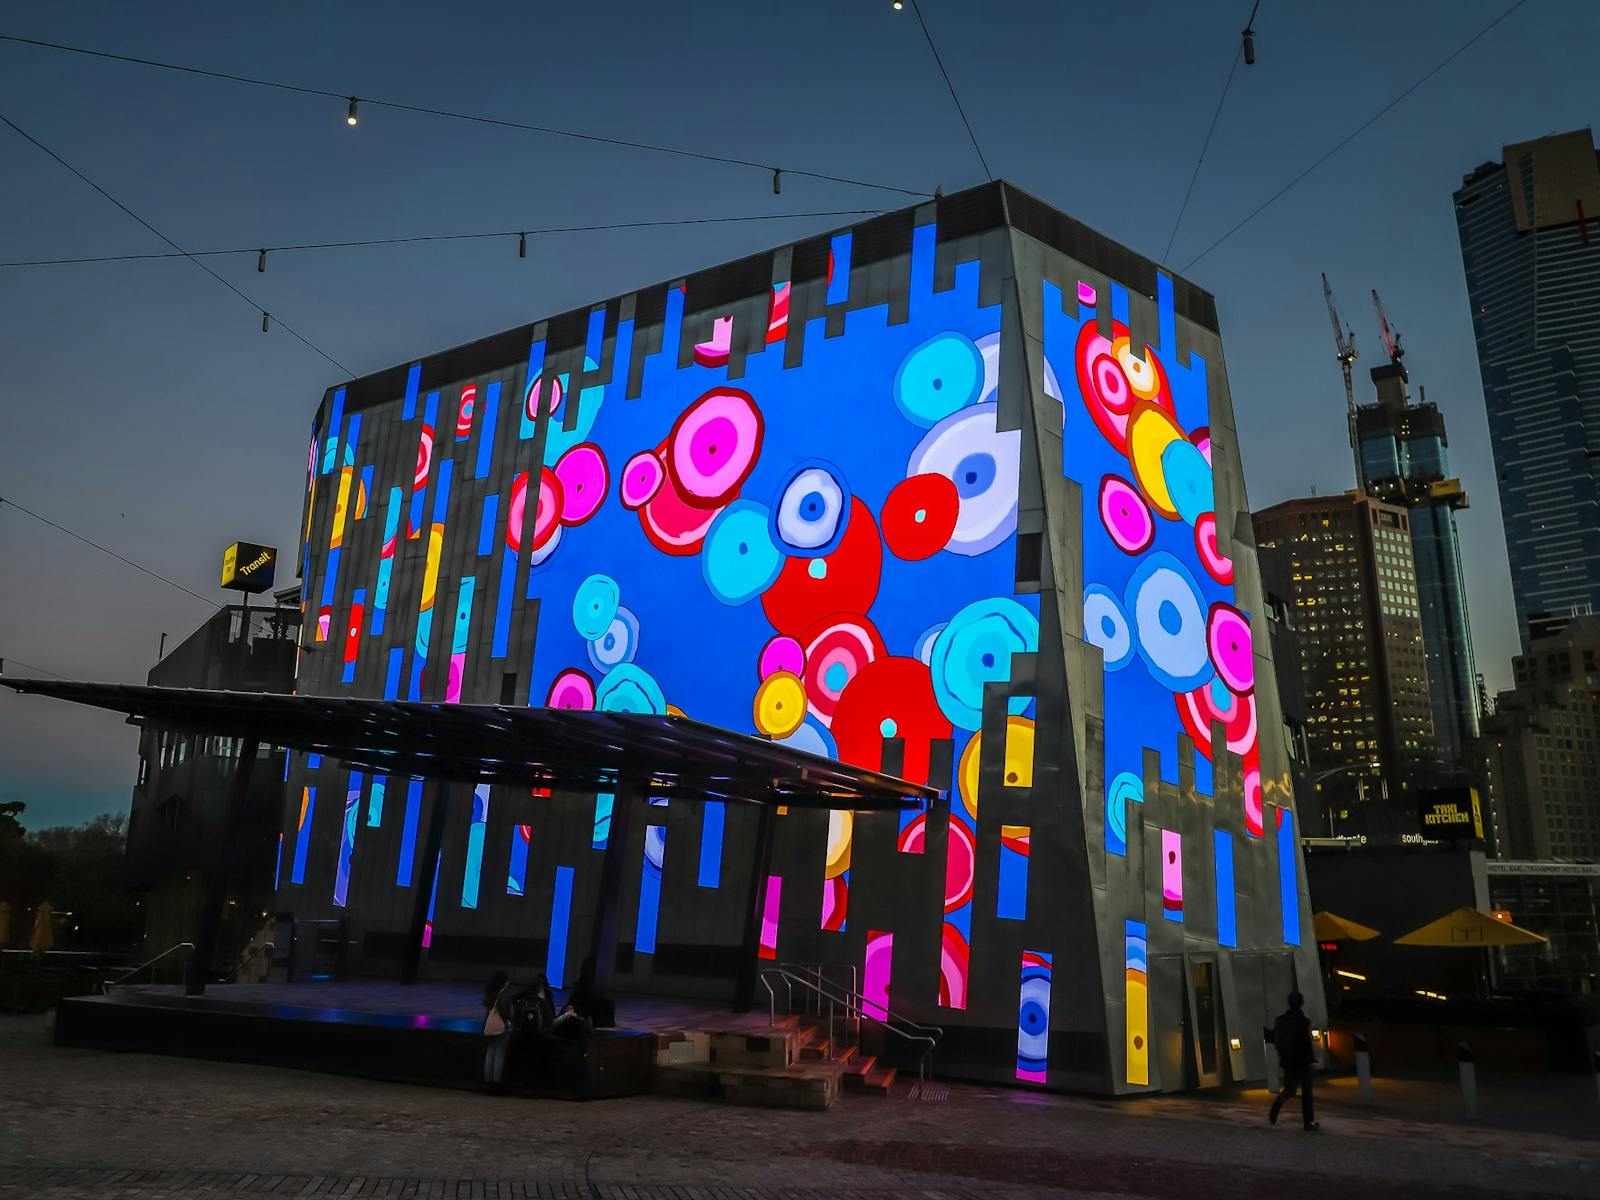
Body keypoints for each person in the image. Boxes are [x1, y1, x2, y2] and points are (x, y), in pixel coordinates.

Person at [1268, 990, 1319, 1130]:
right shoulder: (1304, 1021)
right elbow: (1306, 1043)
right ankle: (1308, 1122)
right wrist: (1312, 1059)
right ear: (1301, 1003)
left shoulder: (1280, 1020)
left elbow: (1274, 1038)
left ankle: (1277, 1104)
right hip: (1303, 1062)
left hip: (1288, 1061)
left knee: (1289, 1090)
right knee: (1307, 1093)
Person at [481, 970, 513, 1092]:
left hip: (490, 1026)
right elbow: (505, 1010)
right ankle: (496, 1084)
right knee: (499, 1055)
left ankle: (488, 1083)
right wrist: (508, 1021)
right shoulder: (503, 994)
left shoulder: (490, 992)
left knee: (490, 1054)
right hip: (500, 1027)